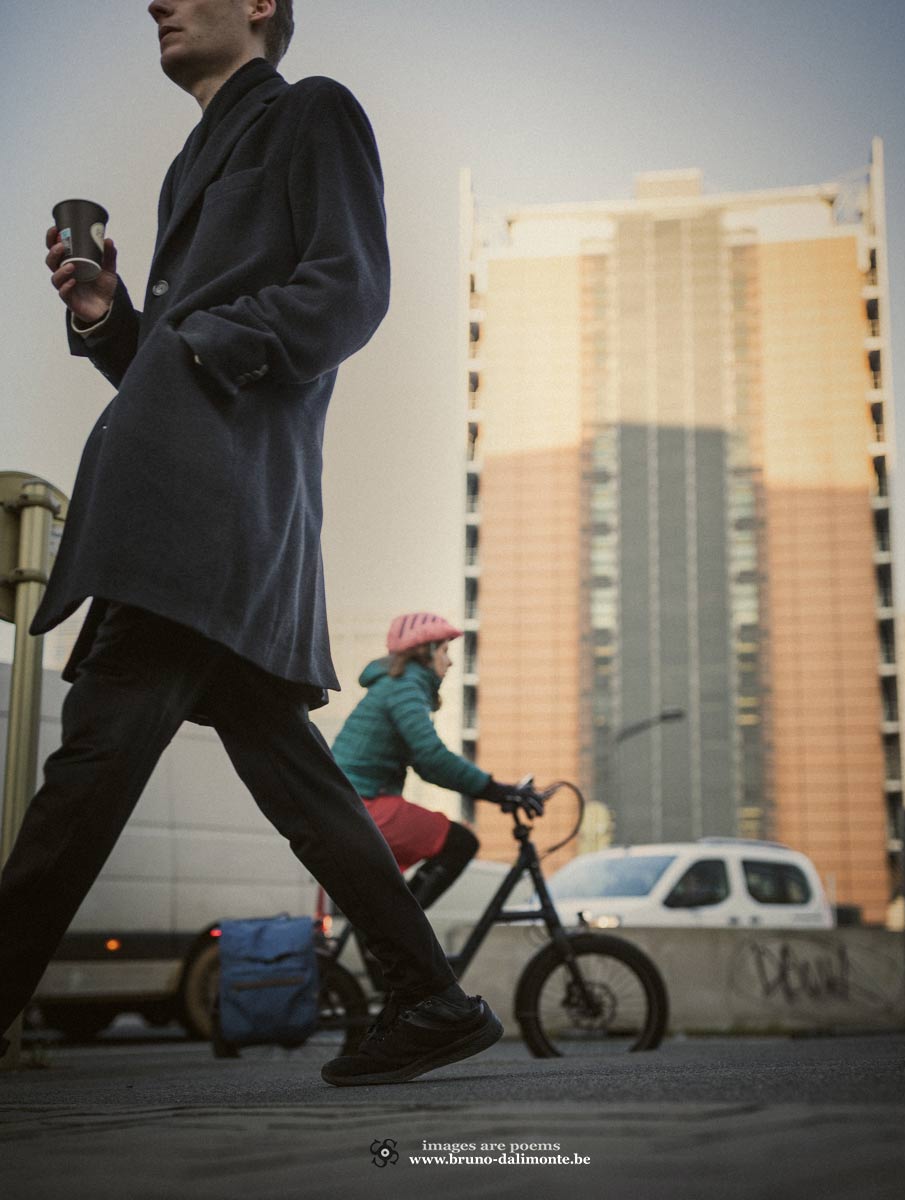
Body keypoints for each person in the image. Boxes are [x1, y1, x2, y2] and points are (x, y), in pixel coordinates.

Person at [0, 0, 503, 1088]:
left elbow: (348, 288)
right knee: (298, 781)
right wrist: (107, 315)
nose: (157, 4)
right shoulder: (192, 164)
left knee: (83, 778)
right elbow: (164, 362)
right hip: (196, 505)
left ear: (262, 6)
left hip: (203, 518)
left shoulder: (308, 115)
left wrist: (199, 346)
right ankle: (429, 998)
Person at [333, 612, 539, 925]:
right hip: (362, 806)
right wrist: (497, 791)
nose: (451, 662)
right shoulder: (403, 688)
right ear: (426, 652)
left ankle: (392, 931)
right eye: (444, 651)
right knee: (461, 842)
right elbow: (432, 759)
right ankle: (402, 930)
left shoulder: (398, 686)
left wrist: (494, 791)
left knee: (387, 895)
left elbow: (426, 765)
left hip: (353, 806)